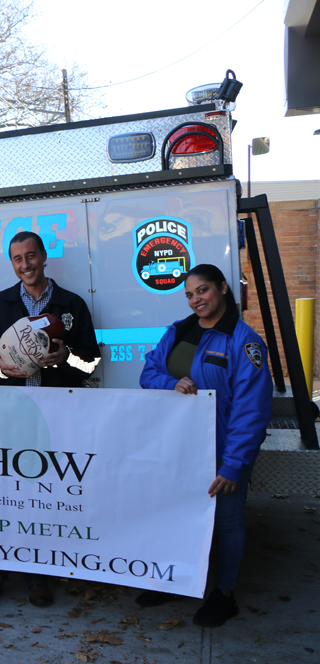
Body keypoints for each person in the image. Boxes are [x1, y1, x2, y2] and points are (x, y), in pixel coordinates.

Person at [0, 230, 101, 611]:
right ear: (11, 264)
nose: (25, 264)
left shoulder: (71, 304)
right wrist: (1, 368)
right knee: (0, 498)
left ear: (44, 256)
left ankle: (39, 576)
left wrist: (67, 357)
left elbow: (91, 362)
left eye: (30, 256)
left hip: (56, 418)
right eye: (17, 259)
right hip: (8, 418)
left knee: (44, 501)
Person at [138, 263, 271, 627]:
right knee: (176, 515)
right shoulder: (180, 331)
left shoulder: (243, 342)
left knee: (228, 524)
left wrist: (233, 465)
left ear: (223, 289)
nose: (196, 299)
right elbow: (148, 373)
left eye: (203, 290)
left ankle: (224, 594)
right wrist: (171, 383)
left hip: (220, 453)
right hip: (178, 450)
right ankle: (175, 580)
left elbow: (252, 410)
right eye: (190, 294)